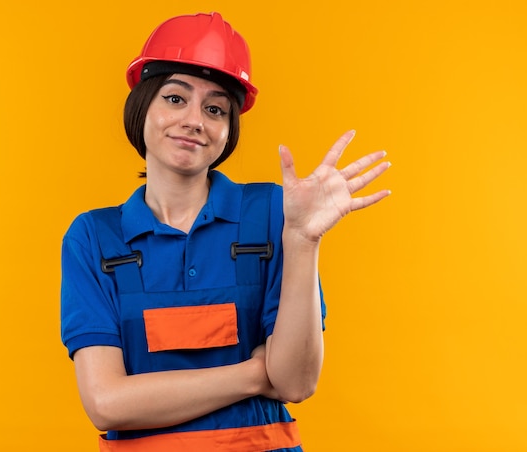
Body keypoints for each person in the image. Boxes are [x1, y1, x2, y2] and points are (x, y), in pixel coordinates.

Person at [61, 11, 390, 451]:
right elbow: (106, 403)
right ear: (142, 107)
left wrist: (303, 239)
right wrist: (254, 373)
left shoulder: (274, 213)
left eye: (215, 108)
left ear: (229, 128)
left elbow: (294, 381)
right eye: (175, 99)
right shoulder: (94, 236)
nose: (195, 120)